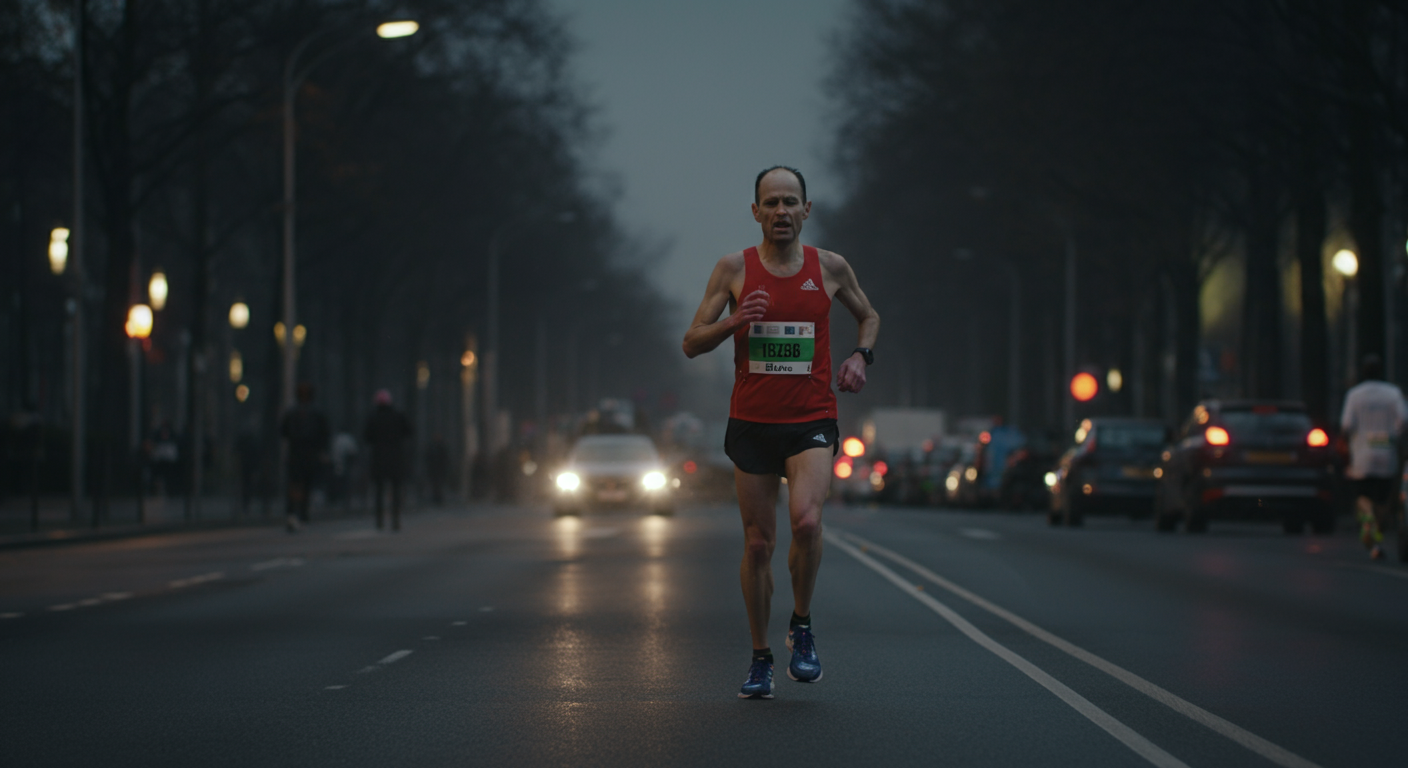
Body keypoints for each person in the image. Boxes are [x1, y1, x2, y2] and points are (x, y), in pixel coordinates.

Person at [682, 166, 880, 699]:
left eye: (790, 202)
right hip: (752, 423)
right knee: (757, 544)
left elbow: (870, 316)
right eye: (770, 203)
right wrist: (733, 322)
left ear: (806, 210)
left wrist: (861, 357)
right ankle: (761, 656)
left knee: (809, 524)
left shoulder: (830, 267)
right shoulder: (733, 269)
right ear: (756, 213)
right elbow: (691, 342)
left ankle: (803, 624)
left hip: (812, 419)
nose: (781, 212)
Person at [1339, 355, 1407, 560]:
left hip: (1362, 457)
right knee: (1382, 500)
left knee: (1362, 497)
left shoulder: (1354, 395)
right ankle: (1377, 531)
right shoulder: (1393, 393)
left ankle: (1370, 531)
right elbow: (1403, 420)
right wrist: (1392, 436)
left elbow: (1346, 425)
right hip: (1387, 456)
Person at [280, 382, 331, 532]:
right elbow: (324, 433)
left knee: (295, 483)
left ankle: (292, 512)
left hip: (296, 452)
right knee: (306, 483)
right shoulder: (317, 412)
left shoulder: (291, 412)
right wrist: (322, 451)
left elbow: (283, 431)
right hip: (310, 453)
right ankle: (302, 513)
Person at [364, 389, 412, 530]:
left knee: (379, 491)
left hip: (378, 458)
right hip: (396, 458)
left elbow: (367, 437)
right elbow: (408, 432)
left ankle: (379, 521)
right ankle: (395, 520)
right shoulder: (398, 416)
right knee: (396, 490)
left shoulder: (373, 417)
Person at [425, 434, 450, 506]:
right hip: (434, 469)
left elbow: (445, 458)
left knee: (439, 484)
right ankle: (436, 498)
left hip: (440, 469)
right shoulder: (431, 447)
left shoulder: (441, 447)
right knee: (435, 484)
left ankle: (438, 498)